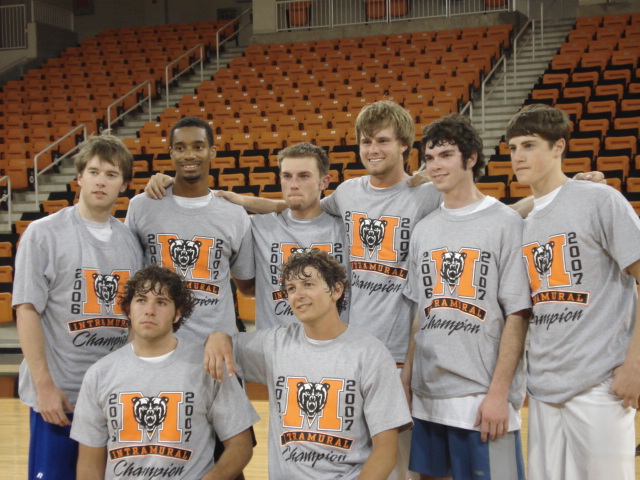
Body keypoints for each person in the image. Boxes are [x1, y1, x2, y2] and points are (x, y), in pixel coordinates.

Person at [506, 104, 640, 480]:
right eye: (513, 147)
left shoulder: (600, 200)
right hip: (545, 387)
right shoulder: (522, 221)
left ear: (558, 147)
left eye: (529, 145)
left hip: (599, 383)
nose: (518, 156)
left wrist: (635, 363)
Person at [206, 249, 412, 479]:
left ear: (336, 290)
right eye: (291, 288)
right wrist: (218, 337)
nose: (298, 295)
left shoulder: (370, 353)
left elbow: (385, 450)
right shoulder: (274, 344)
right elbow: (220, 346)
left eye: (308, 284)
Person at [402, 114, 531, 479]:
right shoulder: (424, 230)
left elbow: (517, 315)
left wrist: (499, 395)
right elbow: (420, 312)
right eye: (429, 158)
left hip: (481, 398)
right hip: (428, 394)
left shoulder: (505, 222)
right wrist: (408, 376)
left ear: (471, 158)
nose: (435, 166)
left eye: (445, 155)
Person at [13, 135, 143, 480]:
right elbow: (26, 310)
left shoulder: (130, 242)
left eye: (111, 174)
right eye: (94, 171)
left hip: (108, 394)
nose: (101, 180)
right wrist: (44, 387)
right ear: (79, 178)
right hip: (60, 395)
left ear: (124, 184)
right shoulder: (43, 233)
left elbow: (133, 321)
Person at [71, 264, 258, 480]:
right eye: (141, 300)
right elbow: (88, 465)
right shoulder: (99, 374)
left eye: (161, 302)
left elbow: (240, 446)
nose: (149, 310)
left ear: (177, 314)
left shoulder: (207, 366)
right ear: (128, 310)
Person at [125, 116, 254, 343]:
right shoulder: (142, 206)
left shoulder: (233, 213)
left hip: (215, 350)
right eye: (180, 148)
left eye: (198, 147)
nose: (189, 155)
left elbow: (247, 285)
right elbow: (128, 277)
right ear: (171, 153)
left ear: (212, 151)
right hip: (156, 346)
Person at [250, 142, 349, 329]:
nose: (294, 185)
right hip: (275, 351)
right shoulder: (258, 226)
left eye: (304, 176)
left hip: (334, 348)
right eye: (287, 176)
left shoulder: (346, 228)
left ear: (324, 182)